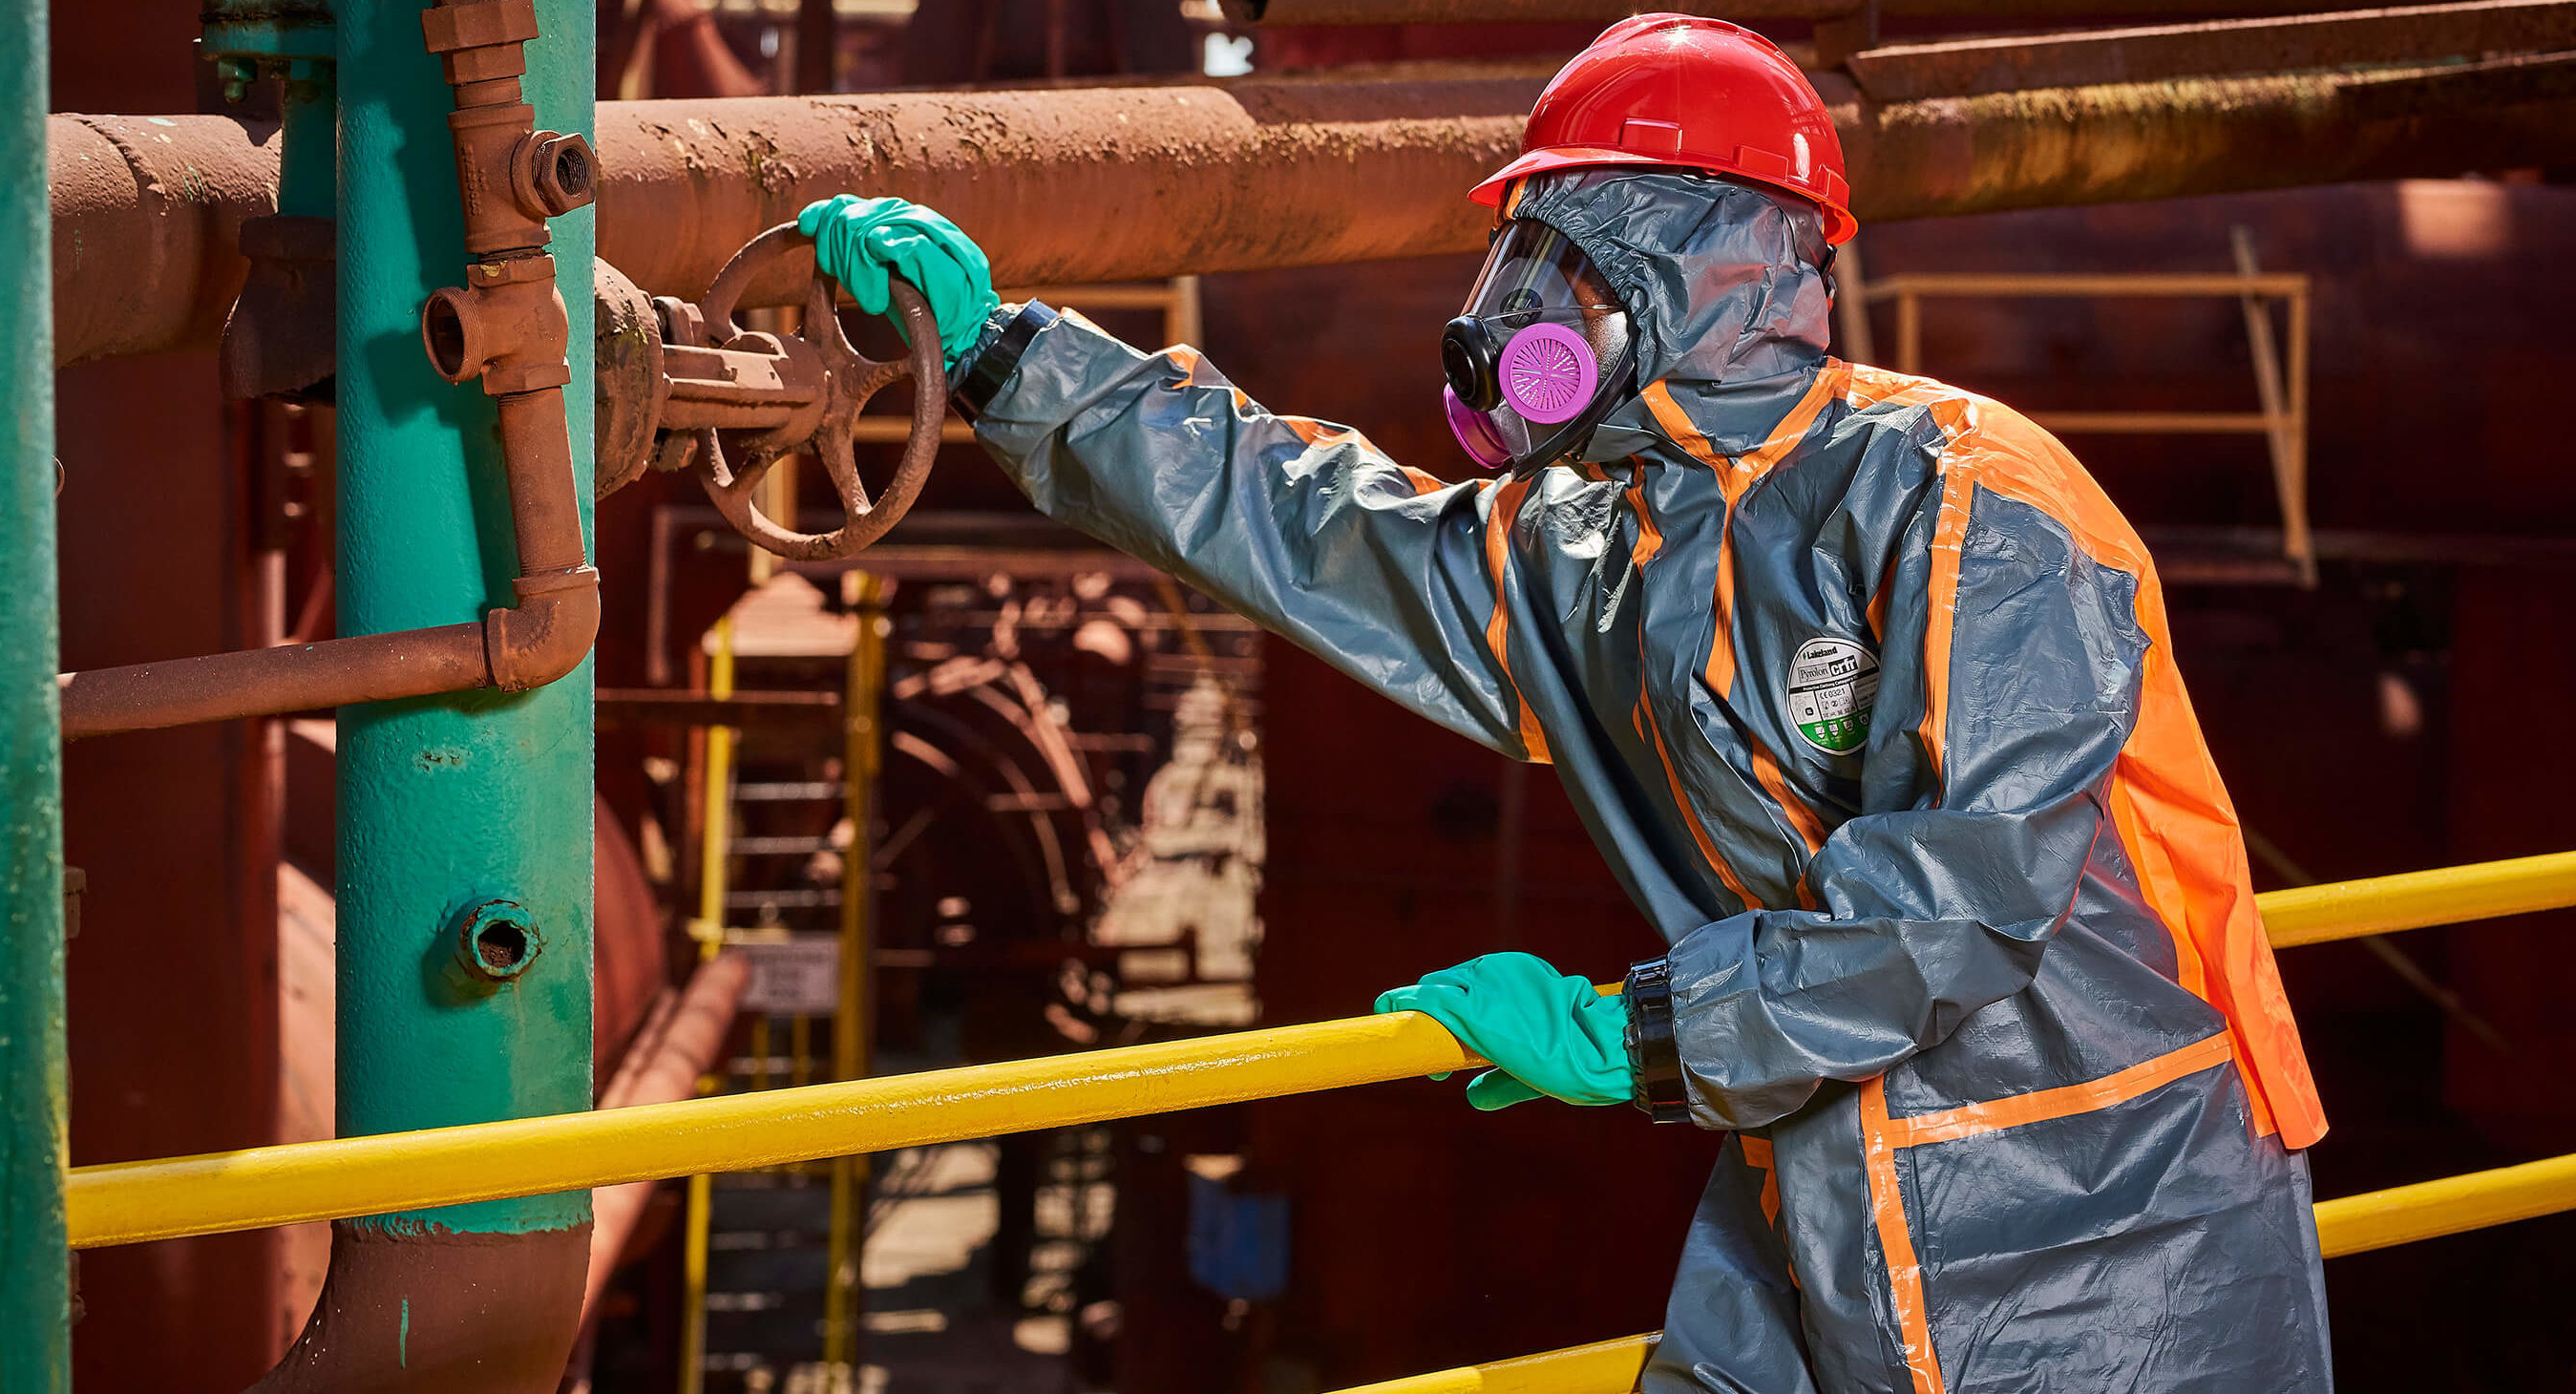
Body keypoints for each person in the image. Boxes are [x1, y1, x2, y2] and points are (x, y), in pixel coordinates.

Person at [796, 13, 2333, 1389]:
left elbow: (1966, 902)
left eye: (1572, 262)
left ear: (1710, 261)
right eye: (1524, 261)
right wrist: (1004, 356)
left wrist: (1636, 1037)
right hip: (1821, 1190)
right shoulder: (1601, 544)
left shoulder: (1967, 502)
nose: (1519, 312)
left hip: (2104, 1230)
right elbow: (1309, 525)